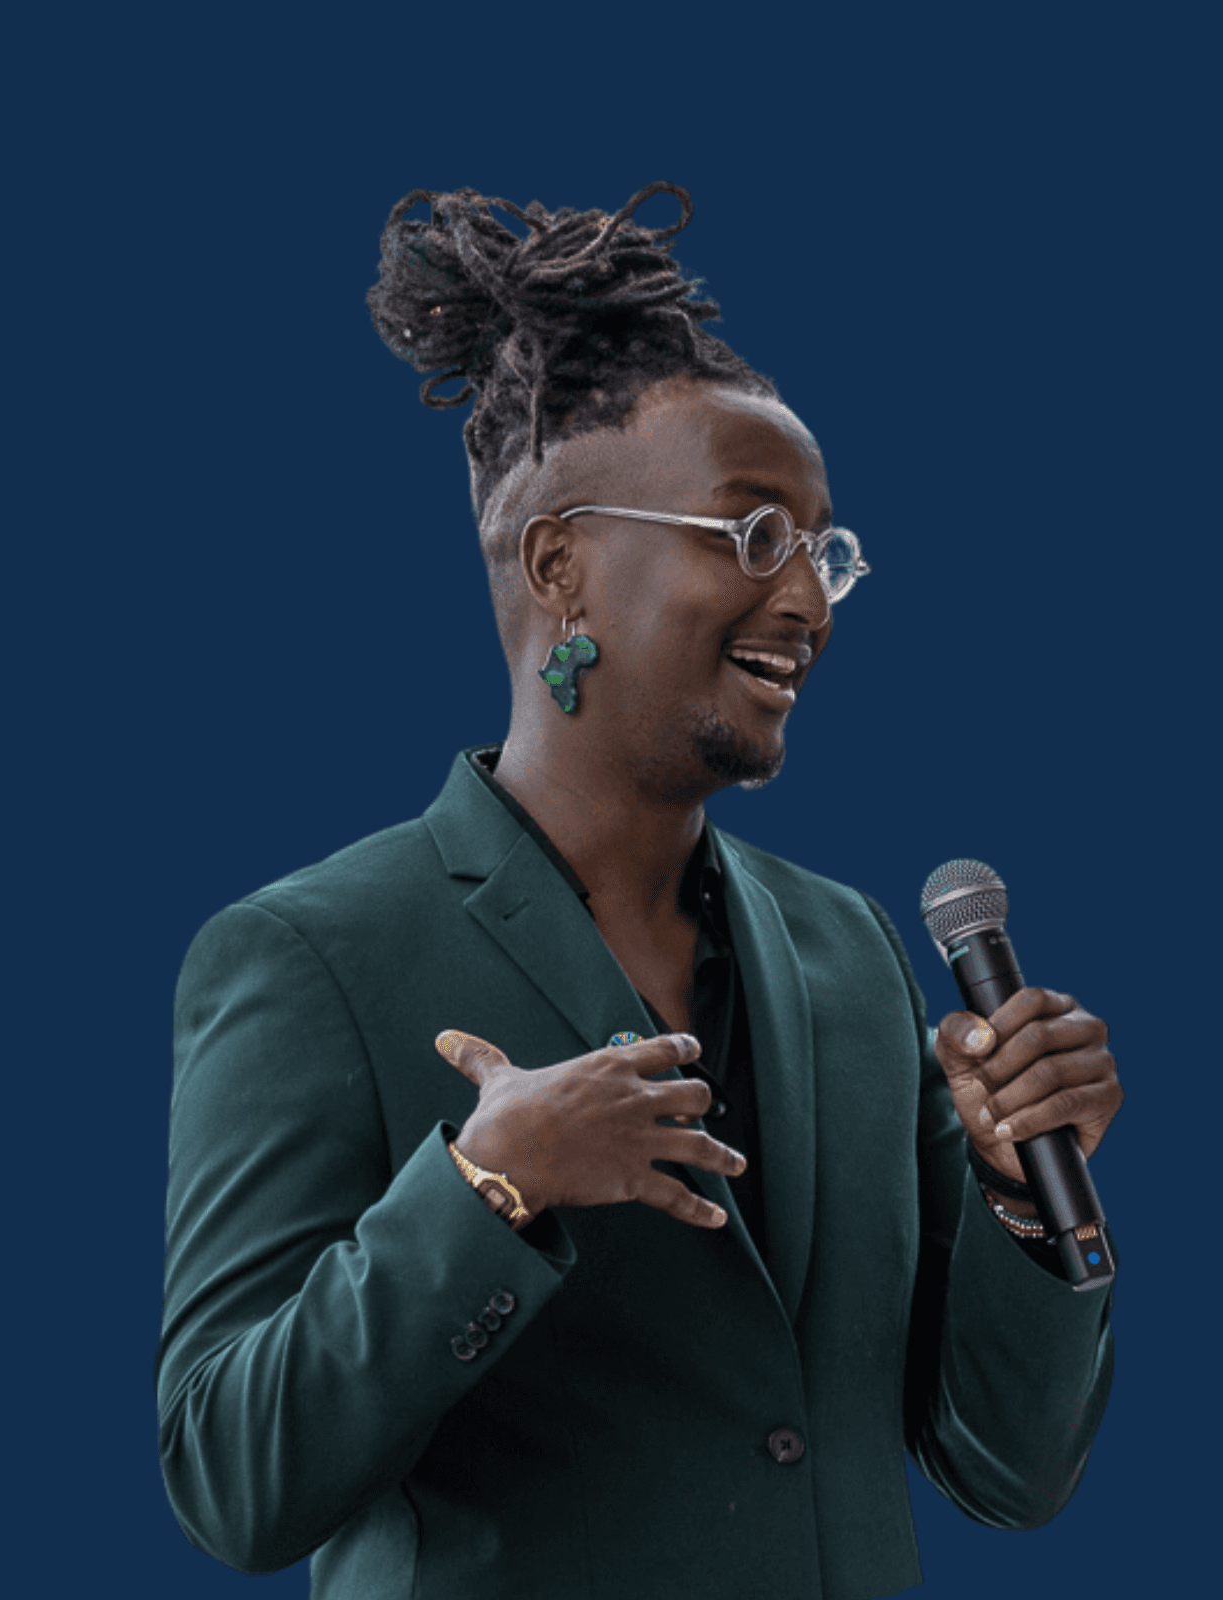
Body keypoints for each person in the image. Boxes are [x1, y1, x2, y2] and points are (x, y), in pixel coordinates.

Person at [157, 182, 1124, 1600]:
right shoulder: (312, 955)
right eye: (751, 537)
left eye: (822, 548)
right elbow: (231, 1478)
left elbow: (1010, 1471)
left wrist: (1015, 1192)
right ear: (563, 569)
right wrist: (489, 1189)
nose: (807, 599)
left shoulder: (849, 951)